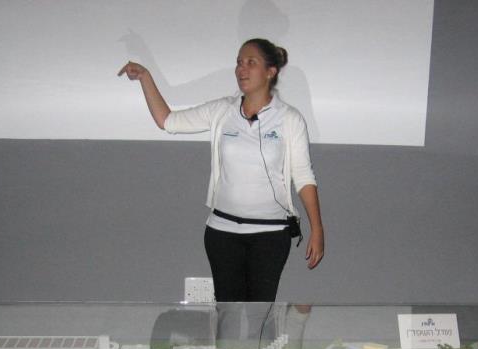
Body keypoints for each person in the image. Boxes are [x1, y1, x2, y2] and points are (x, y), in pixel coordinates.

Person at [118, 38, 324, 302]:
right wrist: (145, 77)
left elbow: (303, 177)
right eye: (239, 63)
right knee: (227, 315)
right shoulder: (222, 110)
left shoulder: (289, 119)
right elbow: (167, 121)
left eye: (251, 63)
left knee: (260, 316)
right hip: (222, 233)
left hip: (271, 236)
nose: (241, 69)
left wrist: (317, 229)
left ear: (270, 71)